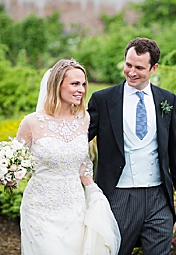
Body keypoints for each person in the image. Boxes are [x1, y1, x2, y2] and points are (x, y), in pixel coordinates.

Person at [87, 37, 176, 255]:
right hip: (118, 195)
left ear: (154, 68)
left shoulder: (167, 100)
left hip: (159, 197)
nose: (132, 72)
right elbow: (79, 139)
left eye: (139, 67)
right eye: (128, 65)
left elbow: (175, 150)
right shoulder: (103, 99)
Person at [17, 59, 120, 254]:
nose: (81, 89)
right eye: (74, 84)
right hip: (40, 208)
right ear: (57, 85)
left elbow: (82, 162)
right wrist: (10, 176)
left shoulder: (84, 120)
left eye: (83, 84)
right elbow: (17, 162)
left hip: (74, 208)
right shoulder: (31, 123)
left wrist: (93, 190)